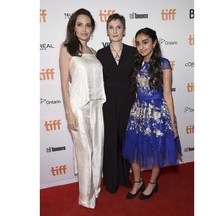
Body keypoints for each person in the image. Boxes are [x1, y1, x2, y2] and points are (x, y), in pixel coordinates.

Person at [122, 27, 182, 200]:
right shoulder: (136, 63)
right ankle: (137, 181)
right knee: (133, 149)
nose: (141, 47)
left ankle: (153, 183)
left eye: (145, 42)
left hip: (157, 113)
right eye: (138, 43)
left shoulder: (163, 63)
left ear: (154, 42)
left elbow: (168, 95)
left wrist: (173, 123)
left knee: (157, 151)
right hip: (138, 112)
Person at [59, 8, 106, 209]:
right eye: (80, 24)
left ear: (92, 28)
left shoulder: (94, 53)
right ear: (74, 27)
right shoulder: (66, 49)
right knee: (85, 151)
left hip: (96, 107)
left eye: (88, 25)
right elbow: (64, 84)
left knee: (97, 150)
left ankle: (95, 188)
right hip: (78, 108)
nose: (84, 29)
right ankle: (86, 198)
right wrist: (69, 112)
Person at [96, 13, 137, 194]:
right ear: (107, 31)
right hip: (108, 103)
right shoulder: (101, 53)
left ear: (124, 30)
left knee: (126, 140)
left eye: (118, 27)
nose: (115, 31)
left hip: (128, 101)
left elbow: (139, 78)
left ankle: (124, 177)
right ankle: (111, 180)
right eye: (111, 27)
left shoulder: (133, 52)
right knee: (111, 140)